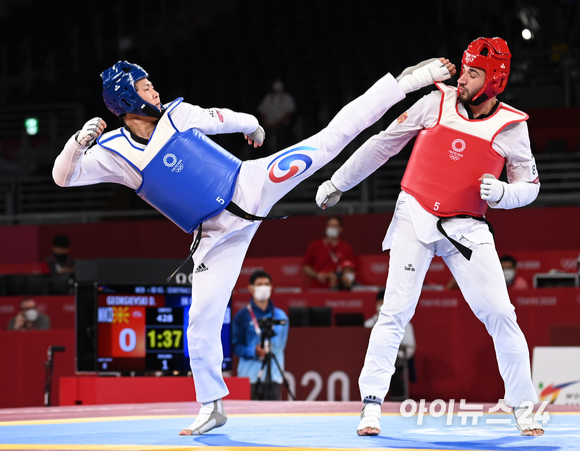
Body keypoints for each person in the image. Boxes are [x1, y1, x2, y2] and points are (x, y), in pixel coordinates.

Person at [52, 57, 453, 435]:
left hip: (253, 182)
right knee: (201, 320)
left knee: (330, 139)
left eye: (152, 84)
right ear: (126, 99)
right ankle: (212, 405)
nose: (154, 91)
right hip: (216, 235)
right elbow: (63, 177)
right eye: (146, 87)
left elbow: (220, 118)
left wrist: (254, 125)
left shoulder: (177, 113)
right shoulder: (114, 151)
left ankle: (405, 82)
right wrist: (77, 141)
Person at [316, 37, 544, 437]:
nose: (463, 79)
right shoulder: (433, 101)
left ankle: (523, 407)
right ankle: (371, 406)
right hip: (415, 214)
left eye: (473, 74)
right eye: (464, 69)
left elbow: (531, 186)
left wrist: (505, 194)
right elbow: (382, 145)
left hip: (468, 226)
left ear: (494, 82)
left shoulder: (512, 126)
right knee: (395, 312)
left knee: (502, 315)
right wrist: (339, 181)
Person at [232, 270, 289, 400]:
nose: (264, 287)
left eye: (266, 284)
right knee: (249, 417)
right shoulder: (242, 316)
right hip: (249, 376)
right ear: (251, 288)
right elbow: (235, 346)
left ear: (271, 287)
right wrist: (253, 351)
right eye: (259, 284)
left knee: (273, 417)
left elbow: (281, 345)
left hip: (274, 376)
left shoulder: (281, 316)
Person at [302, 216, 355, 289]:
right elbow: (305, 266)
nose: (332, 228)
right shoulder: (315, 245)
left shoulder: (346, 247)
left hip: (339, 288)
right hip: (318, 288)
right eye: (330, 225)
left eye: (335, 226)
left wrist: (341, 277)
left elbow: (350, 269)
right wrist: (316, 275)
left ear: (340, 229)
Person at [258, 77, 296, 155]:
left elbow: (289, 113)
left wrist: (278, 123)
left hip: (282, 125)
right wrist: (266, 124)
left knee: (280, 138)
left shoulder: (287, 98)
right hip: (268, 126)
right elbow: (263, 112)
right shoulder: (268, 98)